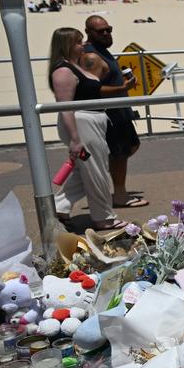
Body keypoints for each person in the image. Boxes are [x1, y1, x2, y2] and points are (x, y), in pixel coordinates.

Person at [48, 28, 123, 230]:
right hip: (82, 123)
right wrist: (75, 139)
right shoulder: (63, 70)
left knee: (86, 172)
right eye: (78, 42)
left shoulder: (74, 66)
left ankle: (58, 206)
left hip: (92, 121)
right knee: (96, 171)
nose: (82, 45)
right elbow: (65, 107)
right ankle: (103, 218)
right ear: (66, 45)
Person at [80, 16, 146, 208]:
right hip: (111, 114)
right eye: (101, 31)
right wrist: (122, 88)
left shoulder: (102, 52)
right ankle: (119, 195)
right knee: (120, 153)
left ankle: (109, 187)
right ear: (89, 33)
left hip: (119, 111)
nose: (107, 33)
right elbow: (91, 89)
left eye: (109, 29)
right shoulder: (91, 57)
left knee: (130, 147)